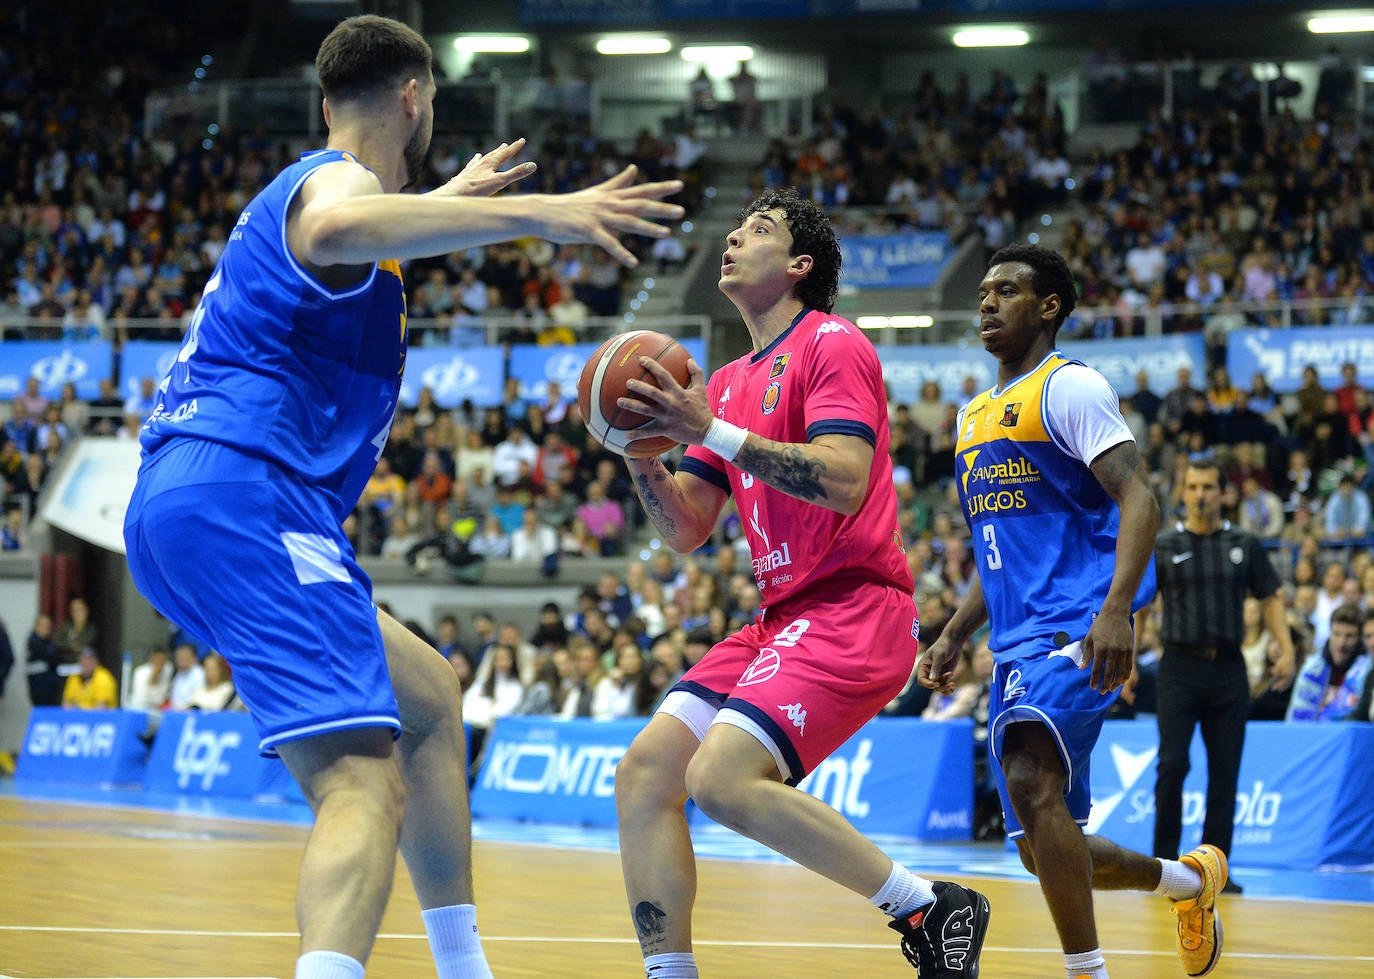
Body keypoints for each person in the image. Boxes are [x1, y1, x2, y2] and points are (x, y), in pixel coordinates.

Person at [119, 16, 683, 979]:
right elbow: (342, 221)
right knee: (357, 782)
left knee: (427, 698)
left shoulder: (350, 212)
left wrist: (448, 202)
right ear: (415, 96)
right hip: (248, 493)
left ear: (328, 96)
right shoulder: (336, 185)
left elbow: (357, 244)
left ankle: (464, 966)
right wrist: (535, 213)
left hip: (183, 502)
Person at [610, 187, 990, 979]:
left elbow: (845, 479)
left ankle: (924, 903)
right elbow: (686, 528)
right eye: (738, 226)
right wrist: (637, 442)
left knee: (718, 777)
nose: (735, 238)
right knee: (646, 771)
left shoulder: (832, 342)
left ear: (798, 264)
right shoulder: (720, 384)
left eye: (760, 230)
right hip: (779, 617)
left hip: (856, 604)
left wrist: (704, 429)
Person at [920, 244, 1222, 979]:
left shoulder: (1070, 388)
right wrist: (958, 631)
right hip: (1017, 635)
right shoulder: (971, 415)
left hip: (1080, 622)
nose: (987, 302)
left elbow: (1139, 496)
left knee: (1028, 778)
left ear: (1049, 307)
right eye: (984, 291)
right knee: (1041, 840)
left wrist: (1117, 608)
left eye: (1008, 291)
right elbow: (1001, 548)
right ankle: (1189, 882)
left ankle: (1088, 971)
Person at [1152, 457, 1295, 896]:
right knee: (1172, 765)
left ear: (1223, 493)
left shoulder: (1244, 544)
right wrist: (1124, 661)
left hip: (1229, 670)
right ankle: (1162, 866)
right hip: (1178, 667)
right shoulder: (1163, 545)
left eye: (1209, 487)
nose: (1201, 495)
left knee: (1225, 773)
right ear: (1184, 492)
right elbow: (1138, 602)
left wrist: (1286, 647)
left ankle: (1215, 871)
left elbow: (1271, 598)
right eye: (1193, 487)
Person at [1286, 603, 1371, 722]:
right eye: (1336, 634)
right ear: (1329, 633)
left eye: (1349, 636)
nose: (1341, 643)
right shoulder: (1312, 668)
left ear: (1360, 639)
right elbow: (1297, 716)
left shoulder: (1369, 670)